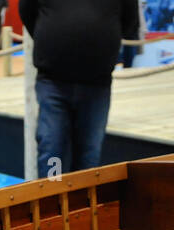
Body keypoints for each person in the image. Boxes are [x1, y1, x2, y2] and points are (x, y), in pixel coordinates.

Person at [20, 0, 138, 178]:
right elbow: (27, 13)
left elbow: (130, 22)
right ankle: (51, 203)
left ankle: (81, 205)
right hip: (53, 83)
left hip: (96, 86)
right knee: (52, 153)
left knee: (87, 160)